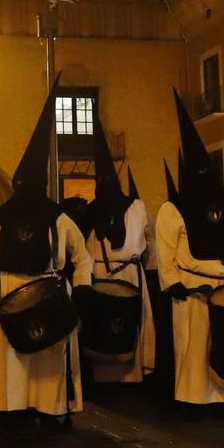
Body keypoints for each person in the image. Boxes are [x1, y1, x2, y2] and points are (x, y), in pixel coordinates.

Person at [0, 86, 92, 417]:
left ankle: (17, 405)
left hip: (37, 290)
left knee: (34, 355)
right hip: (36, 289)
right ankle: (45, 406)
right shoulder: (58, 216)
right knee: (44, 357)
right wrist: (82, 285)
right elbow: (82, 256)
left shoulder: (14, 215)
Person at [156, 94, 224, 406]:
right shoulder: (173, 209)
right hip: (191, 287)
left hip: (222, 286)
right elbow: (166, 248)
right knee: (193, 345)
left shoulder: (223, 206)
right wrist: (172, 284)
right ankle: (193, 397)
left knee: (221, 343)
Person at [83, 120, 152, 384]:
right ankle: (128, 375)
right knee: (120, 321)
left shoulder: (95, 211)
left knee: (112, 321)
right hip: (127, 273)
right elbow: (149, 240)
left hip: (104, 272)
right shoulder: (136, 206)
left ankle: (113, 374)